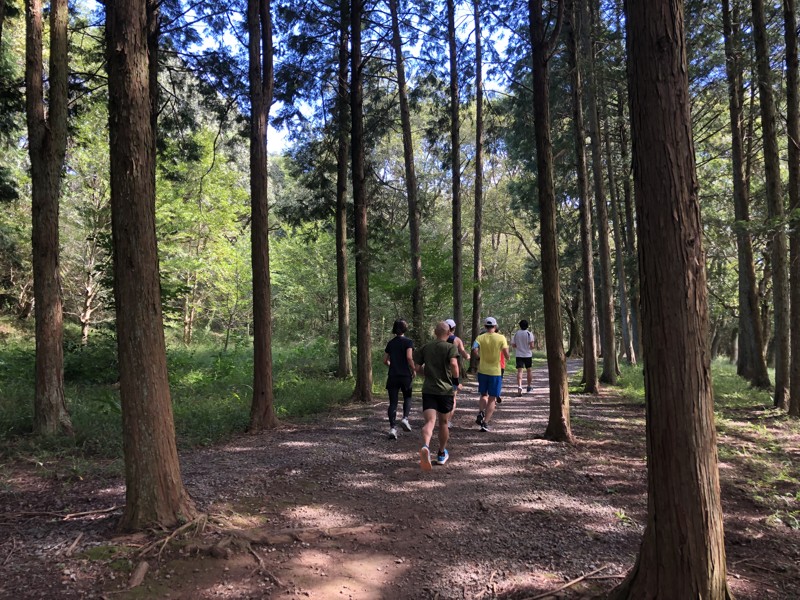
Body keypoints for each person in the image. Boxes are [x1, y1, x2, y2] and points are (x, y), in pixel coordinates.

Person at [413, 321, 462, 470]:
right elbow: (454, 364)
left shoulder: (426, 348)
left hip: (428, 390)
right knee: (443, 423)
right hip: (445, 391)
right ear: (448, 334)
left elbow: (416, 367)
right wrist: (455, 381)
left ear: (435, 333)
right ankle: (441, 453)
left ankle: (426, 446)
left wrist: (426, 373)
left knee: (429, 422)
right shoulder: (450, 347)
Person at [472, 317, 509, 432]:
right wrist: (507, 358)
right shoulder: (501, 338)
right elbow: (506, 353)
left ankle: (481, 412)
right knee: (492, 398)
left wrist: (479, 357)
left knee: (483, 394)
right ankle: (485, 423)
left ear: (485, 326)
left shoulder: (480, 337)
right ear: (495, 326)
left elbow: (474, 349)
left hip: (482, 370)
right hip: (495, 372)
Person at [383, 319, 415, 439]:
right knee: (407, 397)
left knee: (393, 402)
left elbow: (385, 360)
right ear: (405, 328)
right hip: (405, 375)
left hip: (393, 376)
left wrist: (393, 365)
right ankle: (405, 418)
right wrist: (414, 369)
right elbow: (409, 357)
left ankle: (392, 428)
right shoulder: (408, 342)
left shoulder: (390, 343)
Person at [444, 318, 470, 424]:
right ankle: (448, 420)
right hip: (453, 370)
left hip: (440, 370)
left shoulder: (440, 339)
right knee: (453, 397)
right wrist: (468, 356)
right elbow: (463, 353)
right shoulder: (457, 340)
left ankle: (442, 418)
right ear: (454, 328)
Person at [511, 319, 536, 396]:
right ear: (527, 326)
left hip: (519, 355)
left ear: (520, 326)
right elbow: (532, 346)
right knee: (529, 370)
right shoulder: (529, 333)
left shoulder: (516, 334)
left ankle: (519, 386)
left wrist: (519, 347)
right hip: (528, 355)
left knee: (519, 371)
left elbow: (513, 345)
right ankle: (528, 386)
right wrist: (529, 348)